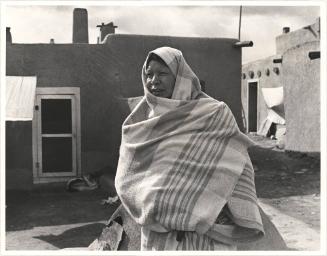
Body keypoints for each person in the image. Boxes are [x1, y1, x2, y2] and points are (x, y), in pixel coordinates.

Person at [114, 46, 265, 250]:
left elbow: (237, 165)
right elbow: (127, 179)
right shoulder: (139, 123)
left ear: (180, 76)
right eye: (148, 74)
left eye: (162, 73)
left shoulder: (213, 114)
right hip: (159, 238)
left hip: (206, 236)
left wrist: (202, 205)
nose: (154, 81)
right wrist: (159, 204)